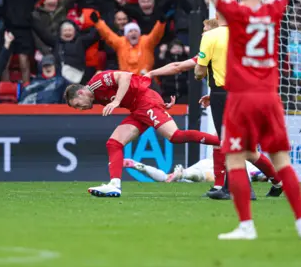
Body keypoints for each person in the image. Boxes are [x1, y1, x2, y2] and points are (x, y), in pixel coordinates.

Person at [175, 0, 301, 241]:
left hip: (239, 97)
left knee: (235, 158)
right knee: (282, 160)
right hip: (268, 96)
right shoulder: (273, 10)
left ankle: (246, 225)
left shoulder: (233, 13)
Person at [148, 19, 283, 200]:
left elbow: (180, 67)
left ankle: (240, 189)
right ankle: (268, 183)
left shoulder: (211, 44)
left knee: (234, 145)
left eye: (204, 29)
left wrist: (152, 73)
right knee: (245, 149)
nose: (202, 33)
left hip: (230, 96)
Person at [64, 71, 222, 197]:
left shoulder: (96, 83)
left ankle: (221, 141)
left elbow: (125, 76)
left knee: (175, 136)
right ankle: (115, 185)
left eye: (78, 105)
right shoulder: (95, 97)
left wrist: (117, 101)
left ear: (80, 93)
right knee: (113, 143)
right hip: (139, 109)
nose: (81, 109)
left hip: (145, 102)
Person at [123, 158, 262, 183]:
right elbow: (259, 175)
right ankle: (184, 173)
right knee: (209, 177)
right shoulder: (252, 166)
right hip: (216, 168)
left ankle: (139, 166)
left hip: (207, 162)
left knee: (167, 178)